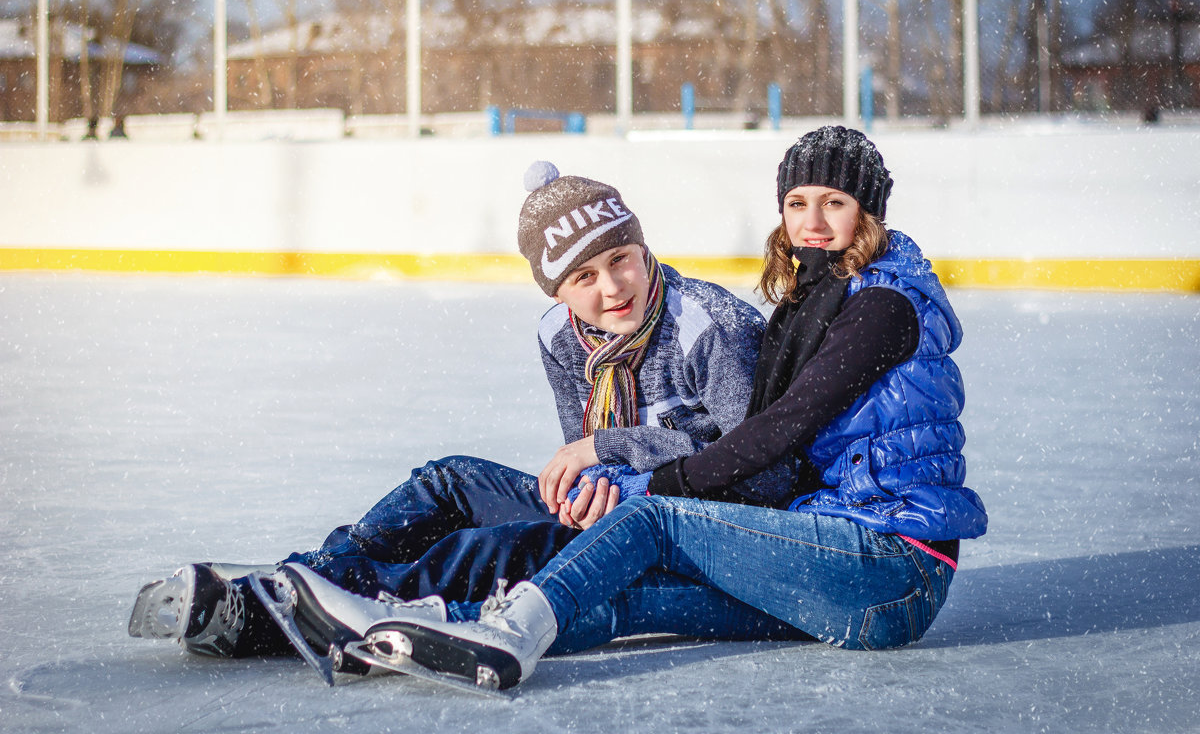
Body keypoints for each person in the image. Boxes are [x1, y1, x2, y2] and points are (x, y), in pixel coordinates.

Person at [292, 126, 989, 690]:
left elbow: (780, 430)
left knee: (648, 524)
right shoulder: (812, 298)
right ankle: (425, 624)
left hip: (892, 561)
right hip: (833, 546)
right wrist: (617, 481)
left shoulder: (882, 307)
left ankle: (504, 630)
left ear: (868, 210)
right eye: (797, 202)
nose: (811, 221)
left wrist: (647, 483)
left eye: (834, 202)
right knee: (623, 599)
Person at [128, 161, 780, 661]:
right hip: (622, 502)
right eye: (584, 277)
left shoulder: (709, 327)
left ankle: (307, 614)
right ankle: (313, 579)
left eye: (621, 260)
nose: (612, 287)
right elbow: (579, 452)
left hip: (691, 530)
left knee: (494, 549)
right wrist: (594, 482)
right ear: (556, 287)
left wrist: (609, 455)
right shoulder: (560, 335)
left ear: (643, 249)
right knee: (445, 483)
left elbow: (760, 467)